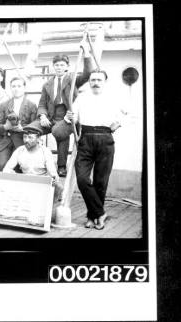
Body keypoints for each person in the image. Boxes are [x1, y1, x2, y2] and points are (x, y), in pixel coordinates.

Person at [65, 69, 123, 230]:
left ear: (104, 82)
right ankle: (100, 212)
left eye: (99, 80)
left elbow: (123, 115)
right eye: (93, 80)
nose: (95, 82)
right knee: (82, 179)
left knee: (100, 181)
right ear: (89, 82)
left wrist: (115, 125)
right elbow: (73, 117)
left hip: (105, 138)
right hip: (86, 138)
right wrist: (69, 117)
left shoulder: (113, 98)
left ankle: (94, 217)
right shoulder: (82, 97)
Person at [36, 42, 93, 177]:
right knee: (30, 129)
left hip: (68, 116)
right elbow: (42, 104)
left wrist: (86, 53)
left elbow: (88, 73)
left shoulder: (72, 79)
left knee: (59, 132)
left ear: (67, 67)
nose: (59, 67)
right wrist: (43, 116)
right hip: (50, 117)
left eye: (62, 65)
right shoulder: (47, 84)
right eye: (57, 65)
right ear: (53, 66)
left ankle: (61, 167)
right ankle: (36, 164)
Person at [2, 121, 63, 202]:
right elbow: (6, 169)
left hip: (41, 184)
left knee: (59, 186)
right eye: (24, 137)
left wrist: (54, 178)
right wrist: (13, 174)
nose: (26, 140)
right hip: (25, 183)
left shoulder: (45, 152)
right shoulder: (20, 150)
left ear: (38, 138)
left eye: (30, 137)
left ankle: (50, 207)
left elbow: (52, 172)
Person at [0, 76, 38, 170]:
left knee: (19, 167)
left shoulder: (31, 105)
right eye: (13, 86)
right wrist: (5, 127)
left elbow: (35, 126)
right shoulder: (4, 105)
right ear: (10, 88)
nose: (16, 89)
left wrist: (23, 129)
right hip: (5, 141)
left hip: (23, 141)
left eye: (19, 86)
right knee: (1, 165)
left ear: (24, 88)